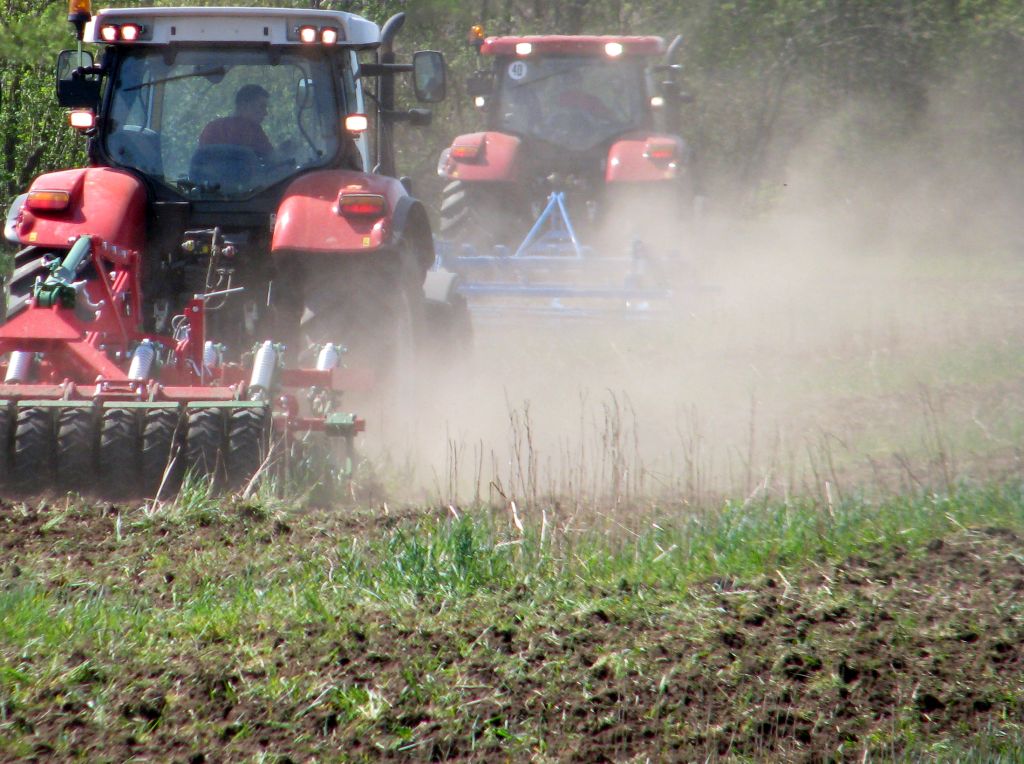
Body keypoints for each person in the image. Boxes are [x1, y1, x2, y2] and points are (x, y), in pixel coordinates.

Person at [199, 84, 275, 159]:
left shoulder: (211, 128)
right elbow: (274, 160)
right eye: (262, 107)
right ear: (244, 106)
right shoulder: (252, 130)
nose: (265, 113)